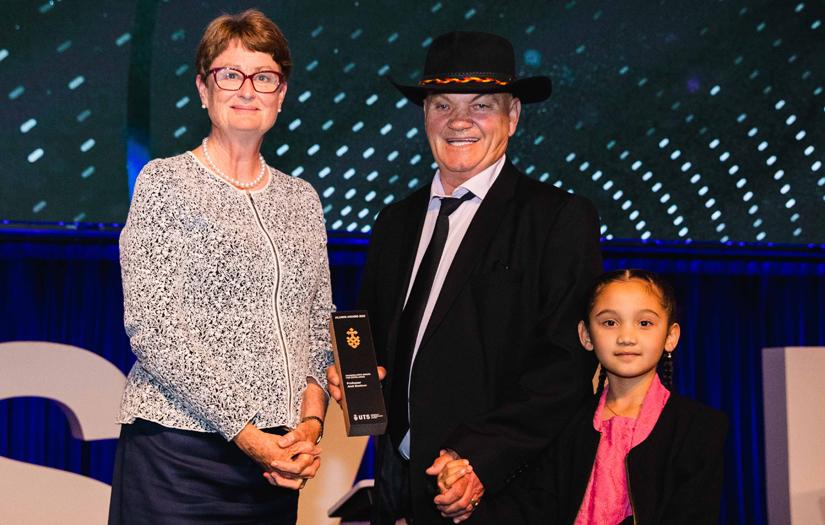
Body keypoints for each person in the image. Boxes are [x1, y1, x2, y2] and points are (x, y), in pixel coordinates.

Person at [328, 31, 603, 524]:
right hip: (397, 493)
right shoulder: (394, 223)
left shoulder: (558, 218)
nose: (459, 122)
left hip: (500, 494)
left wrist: (479, 459)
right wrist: (355, 375)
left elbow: (564, 368)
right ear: (425, 116)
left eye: (481, 105)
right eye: (441, 105)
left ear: (513, 116)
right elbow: (373, 343)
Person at [109, 10, 333, 525]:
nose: (247, 90)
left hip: (277, 465)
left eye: (265, 77)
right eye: (229, 74)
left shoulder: (302, 199)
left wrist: (309, 429)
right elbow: (153, 329)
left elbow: (320, 325)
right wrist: (251, 437)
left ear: (281, 93)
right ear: (204, 89)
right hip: (178, 458)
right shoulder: (164, 184)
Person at [534, 269, 728, 524]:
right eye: (610, 323)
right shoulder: (564, 423)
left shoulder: (701, 428)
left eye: (644, 323)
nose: (626, 338)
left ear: (671, 336)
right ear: (586, 335)